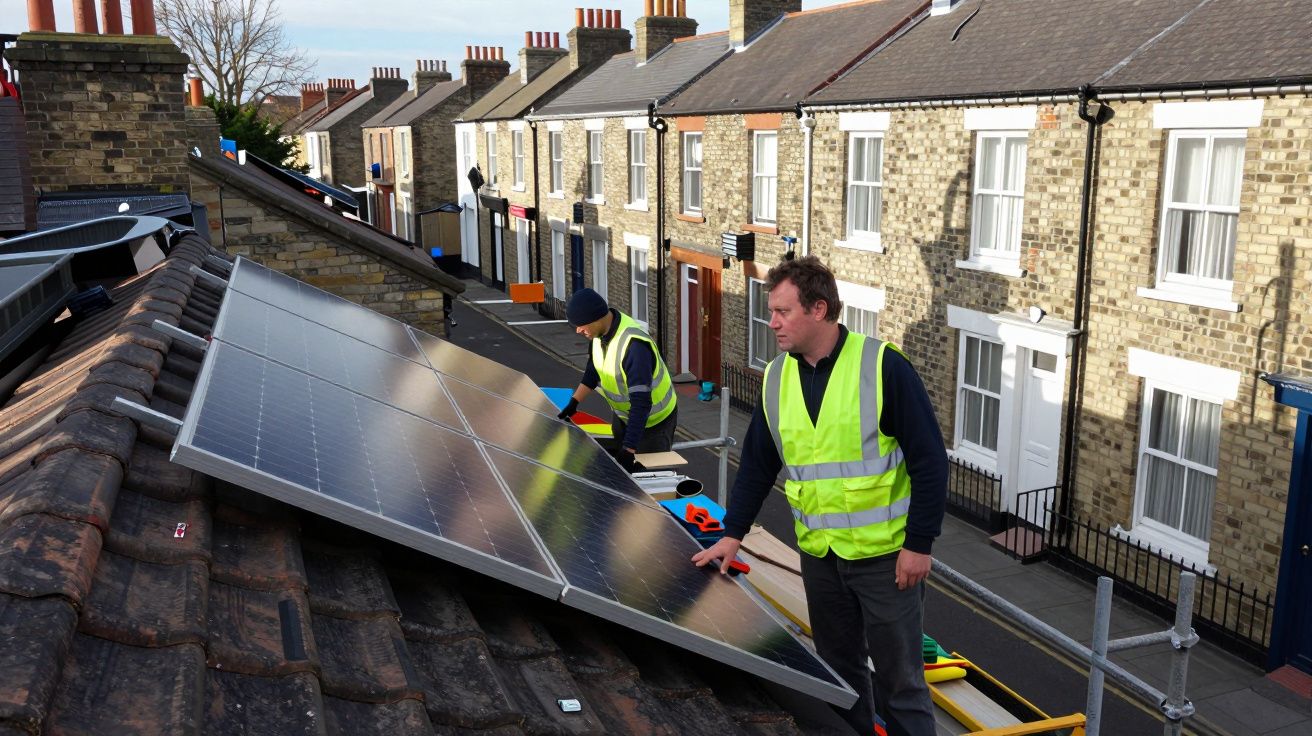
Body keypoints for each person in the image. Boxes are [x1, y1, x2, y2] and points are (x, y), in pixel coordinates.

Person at [691, 256, 946, 736]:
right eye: (773, 312)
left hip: (886, 560)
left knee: (901, 684)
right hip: (820, 558)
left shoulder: (882, 366)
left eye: (783, 312)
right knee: (839, 676)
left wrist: (920, 544)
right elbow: (758, 465)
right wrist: (732, 535)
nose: (773, 323)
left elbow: (930, 460)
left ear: (820, 310)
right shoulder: (775, 377)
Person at [557, 288, 678, 470]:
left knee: (646, 482)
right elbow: (593, 371)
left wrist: (629, 449)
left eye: (581, 324)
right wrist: (574, 403)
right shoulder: (599, 335)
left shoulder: (634, 347)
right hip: (625, 418)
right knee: (621, 474)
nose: (578, 330)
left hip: (655, 425)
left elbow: (641, 404)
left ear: (596, 317)